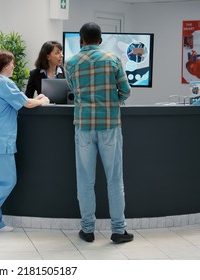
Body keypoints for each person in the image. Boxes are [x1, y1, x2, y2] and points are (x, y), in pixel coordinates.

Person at [64, 22, 134, 244]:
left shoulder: (71, 63)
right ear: (101, 40)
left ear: (81, 40)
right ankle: (118, 230)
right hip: (110, 125)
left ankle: (87, 230)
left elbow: (74, 91)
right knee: (114, 179)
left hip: (84, 126)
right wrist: (114, 101)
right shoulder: (112, 59)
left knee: (85, 180)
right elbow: (126, 90)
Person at [0, 50, 50, 233]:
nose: (14, 66)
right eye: (12, 63)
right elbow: (27, 104)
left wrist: (35, 99)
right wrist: (42, 100)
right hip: (0, 140)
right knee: (6, 181)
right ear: (6, 65)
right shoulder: (5, 83)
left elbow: (22, 100)